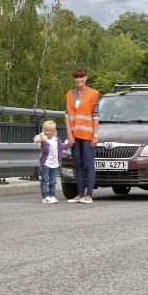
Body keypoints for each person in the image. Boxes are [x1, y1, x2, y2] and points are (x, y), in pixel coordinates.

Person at [65, 67, 100, 204]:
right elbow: (67, 115)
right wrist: (69, 134)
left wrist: (95, 135)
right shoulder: (70, 94)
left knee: (89, 164)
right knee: (78, 165)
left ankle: (89, 195)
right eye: (76, 77)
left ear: (86, 77)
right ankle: (80, 194)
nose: (79, 79)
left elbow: (95, 116)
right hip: (74, 134)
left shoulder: (93, 94)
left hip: (87, 134)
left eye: (81, 77)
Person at [34, 120, 70, 204]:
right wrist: (43, 142)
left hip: (54, 163)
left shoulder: (56, 139)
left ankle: (52, 195)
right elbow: (46, 151)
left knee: (53, 181)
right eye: (45, 130)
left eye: (48, 130)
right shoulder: (42, 140)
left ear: (53, 131)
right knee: (45, 180)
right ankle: (45, 196)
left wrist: (69, 144)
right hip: (46, 163)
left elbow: (61, 147)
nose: (46, 132)